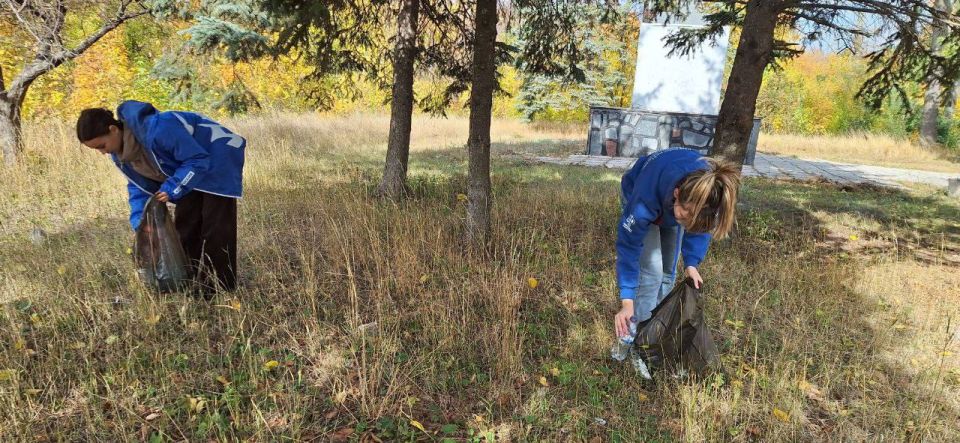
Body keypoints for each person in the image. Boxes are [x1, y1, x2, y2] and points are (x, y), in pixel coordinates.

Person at [76, 101, 246, 295]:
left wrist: (174, 188)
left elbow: (198, 159)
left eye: (101, 145)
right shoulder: (121, 157)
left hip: (217, 156)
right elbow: (139, 188)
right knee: (185, 224)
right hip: (186, 168)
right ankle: (186, 281)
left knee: (215, 226)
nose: (103, 152)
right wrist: (141, 224)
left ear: (113, 129)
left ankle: (218, 287)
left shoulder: (158, 130)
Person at [613, 148, 740, 340]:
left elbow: (699, 229)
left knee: (667, 274)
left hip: (670, 203)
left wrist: (691, 264)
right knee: (651, 274)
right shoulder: (644, 202)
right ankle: (640, 337)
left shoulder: (705, 195)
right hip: (640, 191)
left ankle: (657, 323)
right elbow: (628, 247)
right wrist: (627, 301)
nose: (686, 222)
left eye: (691, 220)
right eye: (685, 214)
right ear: (677, 193)